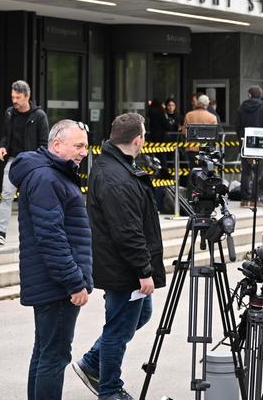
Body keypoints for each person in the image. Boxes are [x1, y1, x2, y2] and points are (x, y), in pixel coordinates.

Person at [73, 113, 165, 400]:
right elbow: (127, 231)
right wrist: (143, 270)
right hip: (122, 268)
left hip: (120, 264)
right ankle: (110, 389)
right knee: (118, 328)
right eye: (145, 134)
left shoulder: (116, 164)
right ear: (138, 140)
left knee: (140, 314)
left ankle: (91, 361)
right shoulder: (117, 177)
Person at [8, 119, 92, 400]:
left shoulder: (53, 174)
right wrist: (74, 282)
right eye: (78, 146)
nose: (84, 152)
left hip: (50, 281)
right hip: (56, 284)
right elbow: (51, 236)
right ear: (56, 145)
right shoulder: (46, 177)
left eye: (86, 146)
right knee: (54, 356)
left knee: (44, 353)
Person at [0, 80, 49, 245]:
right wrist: (2, 147)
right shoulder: (9, 113)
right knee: (6, 196)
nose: (14, 100)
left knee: (33, 199)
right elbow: (6, 136)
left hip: (32, 163)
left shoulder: (39, 116)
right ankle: (1, 233)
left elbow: (44, 144)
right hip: (13, 160)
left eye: (18, 97)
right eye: (13, 97)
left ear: (27, 96)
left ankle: (38, 234)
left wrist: (38, 163)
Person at [234, 85, 263, 207]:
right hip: (261, 144)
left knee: (245, 171)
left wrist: (241, 141)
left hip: (246, 143)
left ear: (250, 95)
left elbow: (237, 126)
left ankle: (245, 199)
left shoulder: (241, 107)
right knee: (258, 172)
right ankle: (255, 198)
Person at [182, 94, 218, 171]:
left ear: (198, 103)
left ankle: (193, 182)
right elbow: (214, 136)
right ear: (207, 104)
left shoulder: (189, 115)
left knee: (193, 170)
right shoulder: (212, 117)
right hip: (206, 150)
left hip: (191, 149)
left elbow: (184, 132)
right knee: (206, 171)